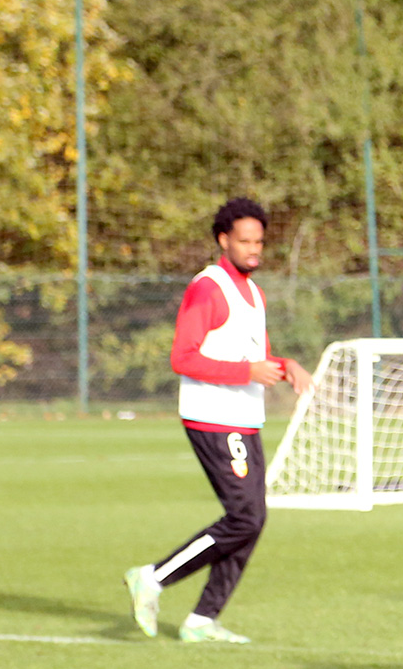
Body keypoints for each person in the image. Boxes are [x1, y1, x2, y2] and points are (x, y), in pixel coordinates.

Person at [124, 198, 312, 643]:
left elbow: (256, 358)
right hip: (212, 418)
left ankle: (203, 619)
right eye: (244, 241)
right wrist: (248, 372)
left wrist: (285, 365)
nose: (254, 250)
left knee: (252, 519)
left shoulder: (254, 293)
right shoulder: (207, 288)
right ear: (223, 240)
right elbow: (182, 357)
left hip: (244, 419)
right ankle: (151, 578)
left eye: (259, 241)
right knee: (245, 518)